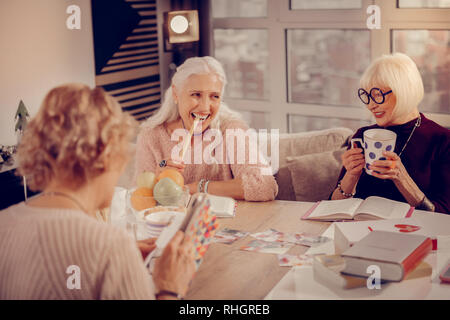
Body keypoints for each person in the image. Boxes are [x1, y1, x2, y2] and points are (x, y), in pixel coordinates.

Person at [0, 84, 196, 299]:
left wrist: (120, 261)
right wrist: (169, 287)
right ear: (104, 155)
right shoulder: (110, 246)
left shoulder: (4, 223)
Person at [135, 56, 278, 201]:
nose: (204, 107)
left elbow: (264, 185)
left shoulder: (231, 129)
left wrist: (198, 187)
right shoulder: (150, 136)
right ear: (175, 93)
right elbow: (139, 199)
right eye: (196, 94)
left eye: (214, 96)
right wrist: (157, 182)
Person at [331, 53, 449, 214]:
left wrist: (401, 178)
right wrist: (351, 175)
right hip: (358, 231)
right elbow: (332, 207)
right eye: (367, 96)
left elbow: (443, 216)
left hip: (411, 234)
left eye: (378, 95)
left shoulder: (441, 140)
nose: (370, 105)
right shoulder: (362, 135)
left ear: (403, 91)